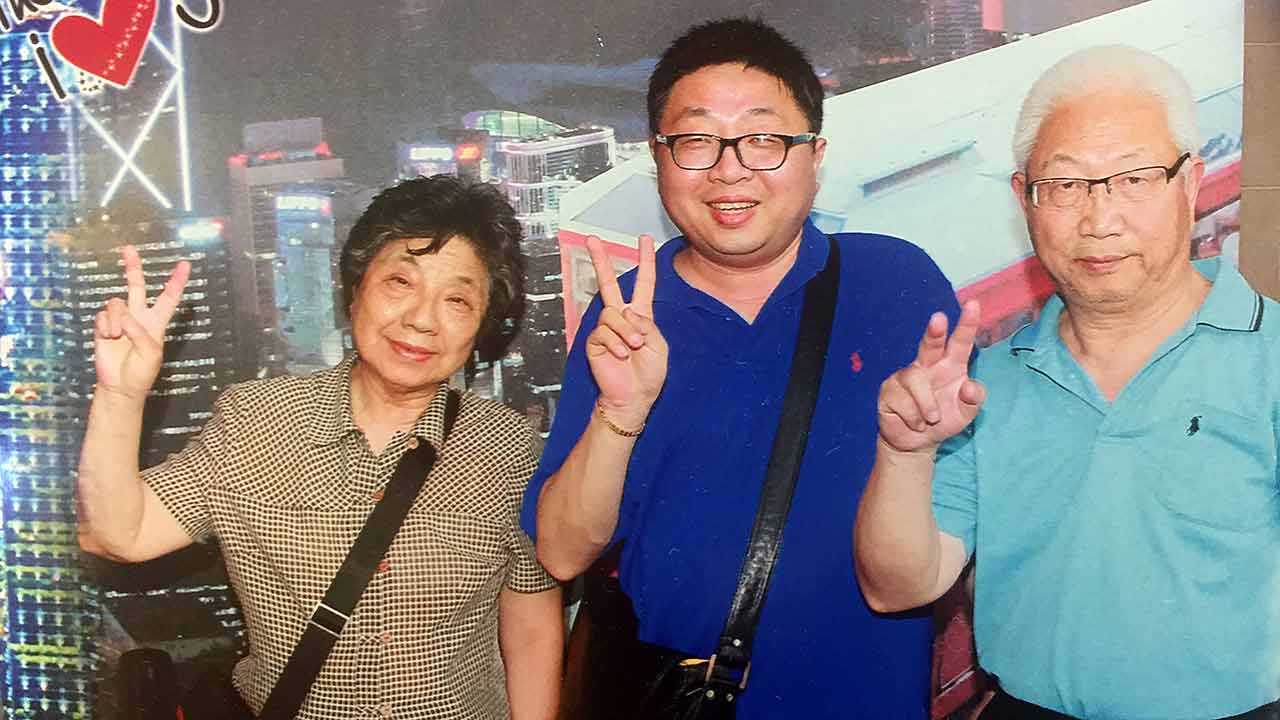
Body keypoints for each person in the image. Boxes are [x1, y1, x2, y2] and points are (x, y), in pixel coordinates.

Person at [521, 18, 960, 718]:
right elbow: (563, 553)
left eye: (763, 139)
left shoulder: (898, 285)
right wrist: (618, 416)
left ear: (815, 156)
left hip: (864, 699)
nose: (730, 169)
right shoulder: (628, 318)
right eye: (697, 140)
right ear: (658, 158)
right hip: (682, 702)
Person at [854, 45, 1280, 720]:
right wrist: (904, 455)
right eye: (1066, 184)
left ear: (1190, 183)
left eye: (1134, 179)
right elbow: (899, 587)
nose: (1098, 219)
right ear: (1025, 198)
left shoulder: (1271, 356)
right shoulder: (987, 384)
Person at [77, 175, 562, 720]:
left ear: (483, 326)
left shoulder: (507, 445)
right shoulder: (255, 422)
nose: (421, 319)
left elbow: (530, 616)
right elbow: (118, 533)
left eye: (456, 299)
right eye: (400, 282)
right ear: (355, 288)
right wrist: (120, 393)